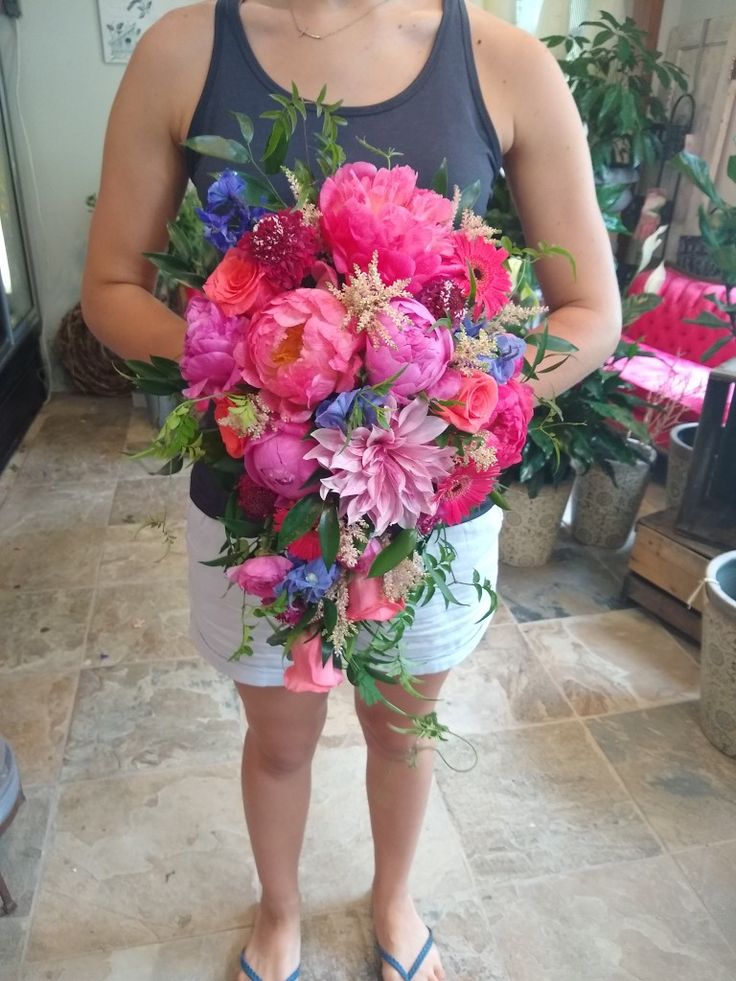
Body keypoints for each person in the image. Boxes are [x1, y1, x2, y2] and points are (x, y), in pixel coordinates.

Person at [82, 1, 621, 979]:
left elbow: (594, 313)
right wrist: (259, 370)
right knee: (280, 736)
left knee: (402, 730)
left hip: (425, 500)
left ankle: (394, 899)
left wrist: (455, 397)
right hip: (259, 503)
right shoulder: (180, 50)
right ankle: (278, 910)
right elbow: (111, 288)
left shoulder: (502, 61)